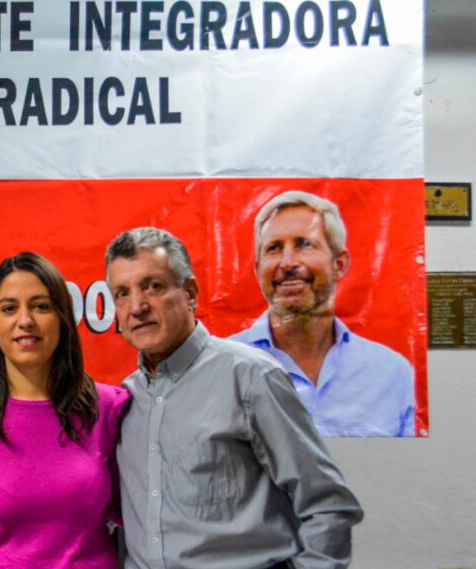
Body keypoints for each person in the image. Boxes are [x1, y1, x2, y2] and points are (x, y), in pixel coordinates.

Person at [106, 227, 363, 569]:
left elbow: (328, 505)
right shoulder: (126, 398)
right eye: (122, 293)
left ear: (190, 293)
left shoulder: (251, 378)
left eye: (153, 286)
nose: (136, 306)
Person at [0, 252, 130, 569]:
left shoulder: (109, 409)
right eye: (9, 308)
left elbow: (138, 516)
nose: (25, 320)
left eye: (41, 306)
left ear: (63, 317)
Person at [229, 190, 416, 436]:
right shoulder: (222, 368)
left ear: (339, 264)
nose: (287, 263)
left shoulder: (391, 373)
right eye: (274, 248)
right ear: (257, 269)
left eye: (304, 244)